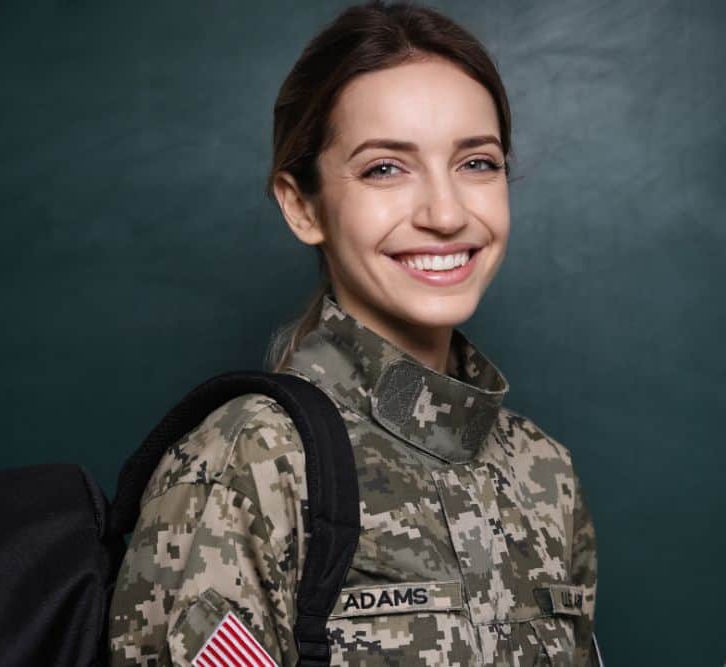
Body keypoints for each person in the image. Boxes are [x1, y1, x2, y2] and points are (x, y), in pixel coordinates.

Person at [107, 1, 598, 664]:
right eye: (385, 168)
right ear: (303, 205)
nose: (446, 213)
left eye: (476, 162)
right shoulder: (255, 457)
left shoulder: (545, 471)